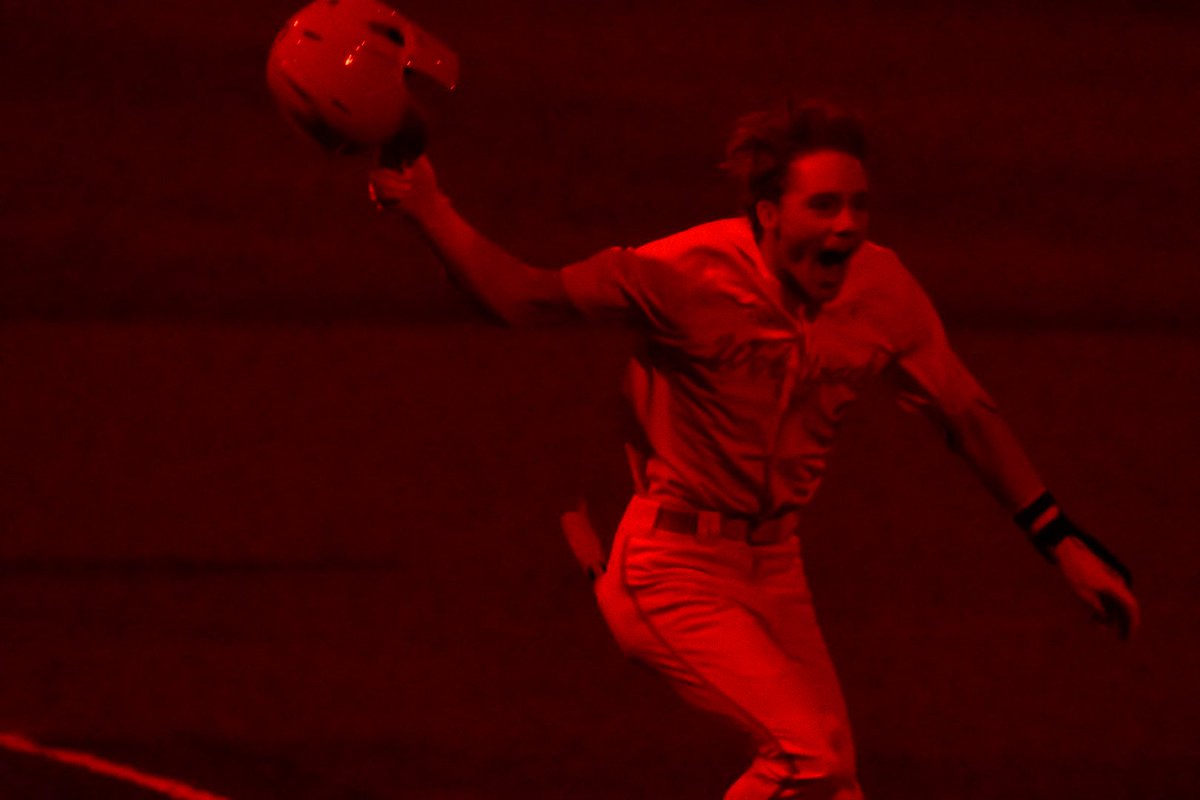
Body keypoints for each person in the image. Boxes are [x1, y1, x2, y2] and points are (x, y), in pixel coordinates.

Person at [367, 97, 1140, 800]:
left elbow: (966, 413)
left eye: (859, 206)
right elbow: (521, 297)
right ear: (768, 213)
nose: (848, 226)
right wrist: (429, 207)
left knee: (836, 789)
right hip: (671, 566)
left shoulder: (883, 289)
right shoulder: (678, 275)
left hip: (776, 567)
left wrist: (1061, 542)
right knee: (810, 756)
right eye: (825, 206)